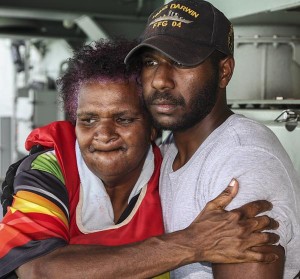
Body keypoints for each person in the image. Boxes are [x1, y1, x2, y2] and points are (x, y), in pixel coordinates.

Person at [0, 39, 280, 279]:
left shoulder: (171, 171)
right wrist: (190, 243)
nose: (104, 134)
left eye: (123, 119)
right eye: (88, 120)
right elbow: (39, 269)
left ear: (152, 127)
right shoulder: (49, 168)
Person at [124, 0, 300, 278]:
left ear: (224, 71)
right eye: (150, 62)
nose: (160, 80)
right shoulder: (168, 149)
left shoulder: (242, 161)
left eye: (181, 62)